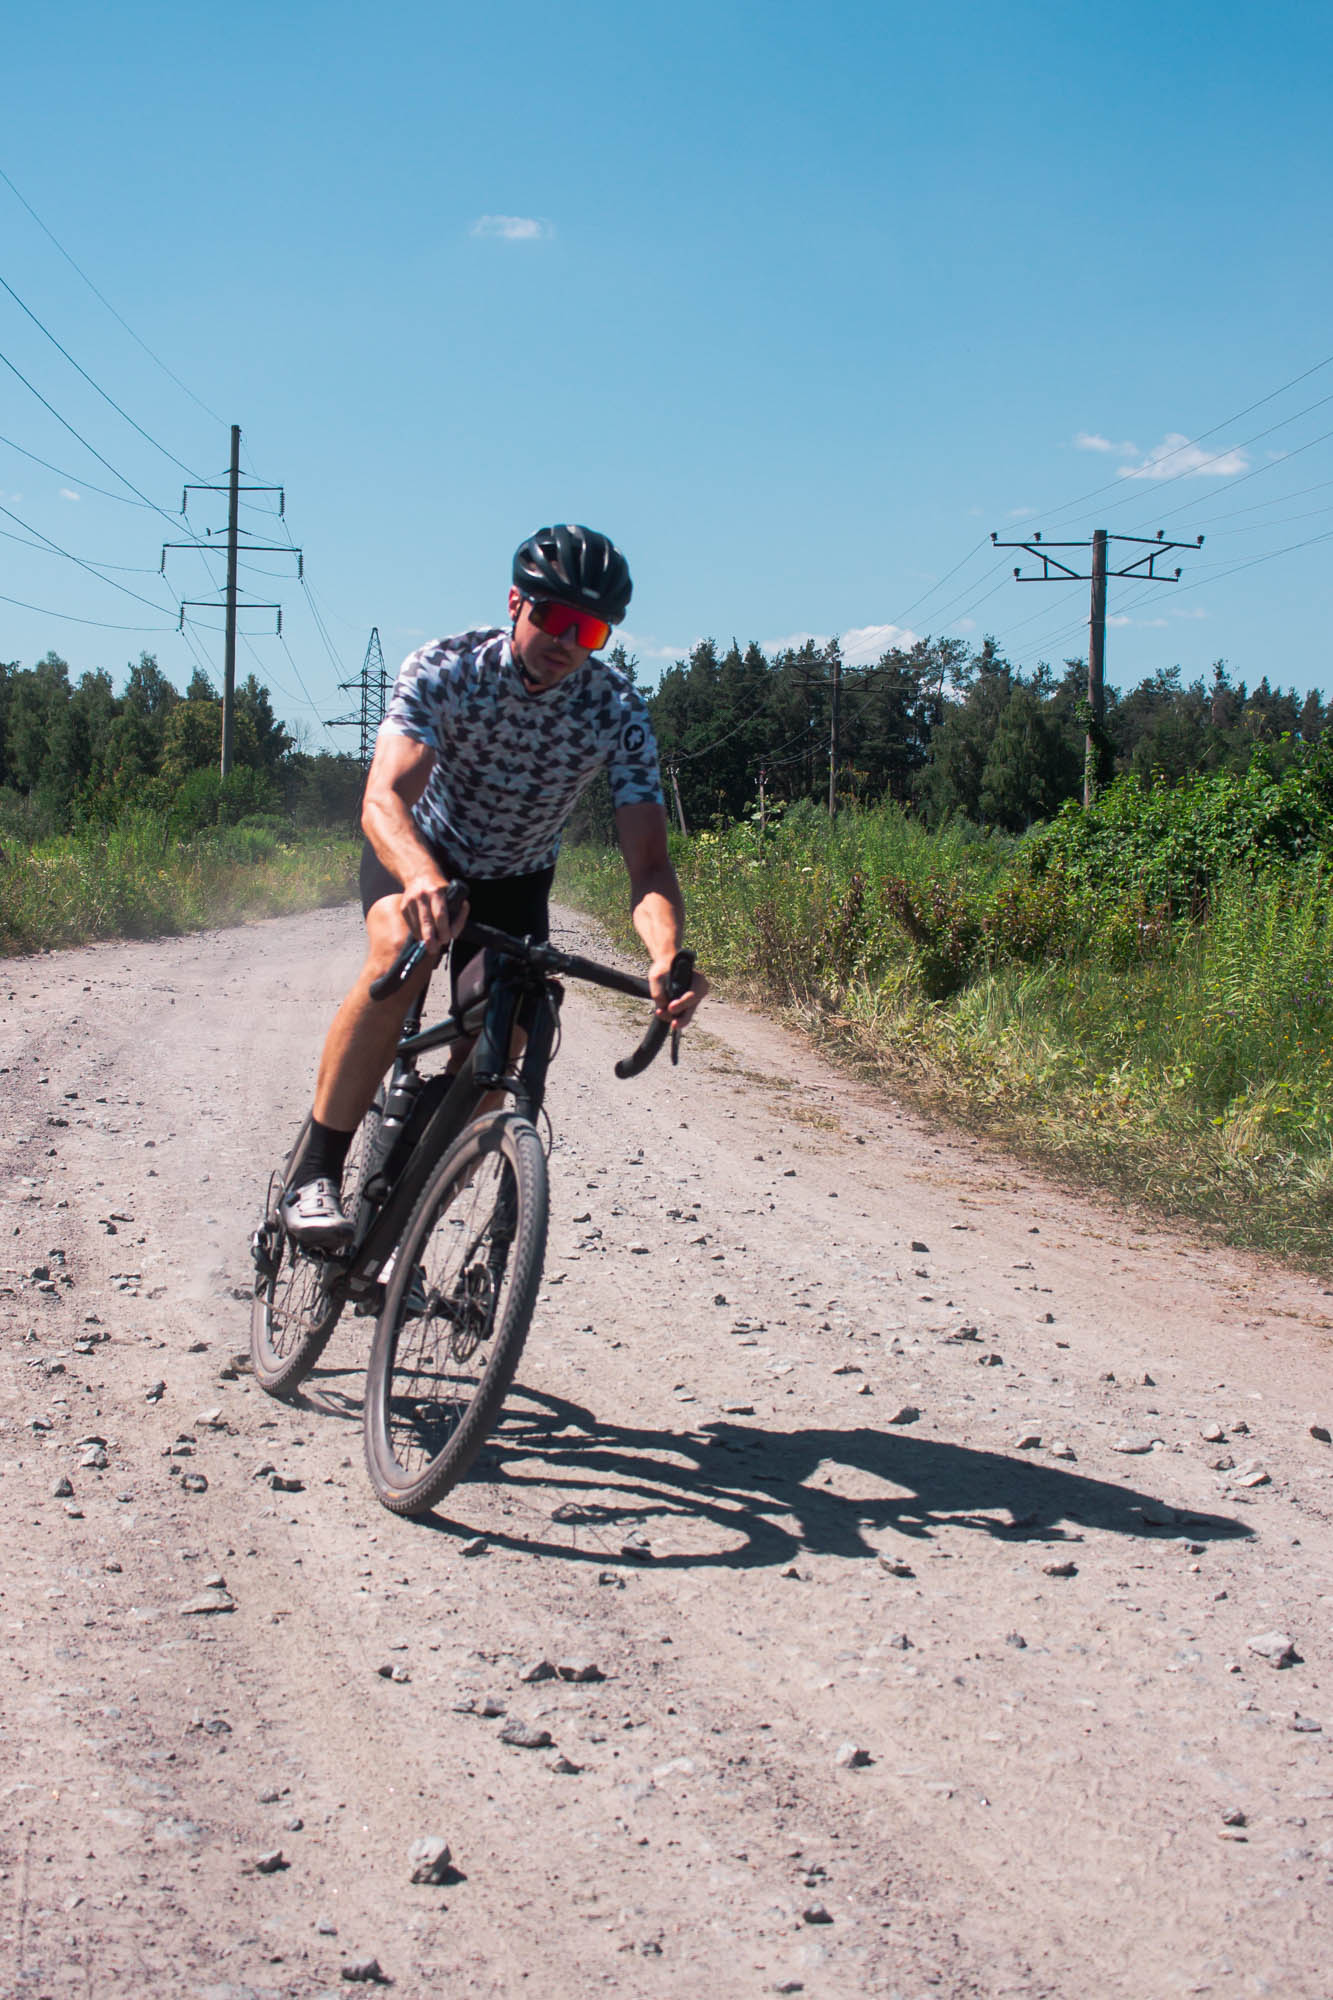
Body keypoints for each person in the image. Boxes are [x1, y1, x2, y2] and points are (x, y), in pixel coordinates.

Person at [280, 522, 706, 1244]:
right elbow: (383, 799)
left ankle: (398, 1232)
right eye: (553, 616)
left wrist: (664, 954)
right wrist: (421, 876)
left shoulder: (618, 712)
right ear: (516, 603)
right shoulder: (446, 668)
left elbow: (650, 867)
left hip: (516, 877)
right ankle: (315, 1173)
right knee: (399, 949)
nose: (565, 639)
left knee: (501, 1045)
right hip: (420, 853)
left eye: (588, 630)